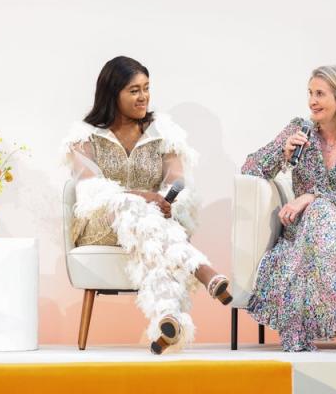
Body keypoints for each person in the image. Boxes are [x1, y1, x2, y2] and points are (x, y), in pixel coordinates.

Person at [61, 56, 230, 355]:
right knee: (127, 204)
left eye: (146, 88)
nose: (144, 97)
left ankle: (168, 320)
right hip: (102, 225)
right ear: (113, 94)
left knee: (148, 225)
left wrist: (167, 199)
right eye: (134, 90)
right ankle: (203, 269)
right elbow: (90, 189)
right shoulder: (85, 136)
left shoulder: (162, 132)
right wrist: (143, 196)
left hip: (152, 224)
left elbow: (177, 180)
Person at [242, 65, 336, 353]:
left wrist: (310, 196)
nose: (312, 101)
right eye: (310, 93)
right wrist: (283, 154)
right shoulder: (299, 131)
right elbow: (249, 168)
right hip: (305, 230)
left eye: (320, 94)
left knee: (318, 209)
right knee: (317, 214)